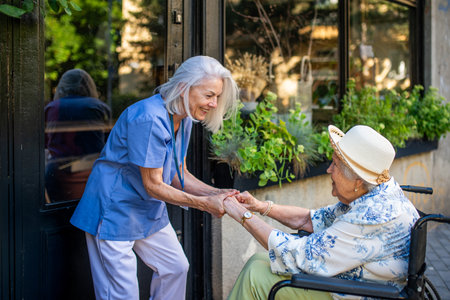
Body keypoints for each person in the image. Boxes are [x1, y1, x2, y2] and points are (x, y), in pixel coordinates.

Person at [70, 56, 239, 300]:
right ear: (184, 88)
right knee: (121, 294)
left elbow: (177, 174)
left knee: (175, 268)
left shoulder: (186, 118)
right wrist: (205, 204)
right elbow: (153, 185)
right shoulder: (149, 118)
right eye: (209, 95)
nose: (214, 104)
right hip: (114, 210)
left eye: (217, 97)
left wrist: (217, 193)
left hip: (146, 208)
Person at [223, 124, 419, 300]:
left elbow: (301, 256)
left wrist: (242, 215)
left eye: (335, 165)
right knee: (258, 260)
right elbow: (311, 220)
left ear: (358, 181)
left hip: (365, 293)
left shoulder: (375, 215)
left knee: (254, 276)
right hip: (361, 284)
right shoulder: (374, 192)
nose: (328, 170)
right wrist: (260, 206)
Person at [45, 69, 111, 202]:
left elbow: (46, 143)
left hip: (56, 173)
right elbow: (107, 144)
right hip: (92, 171)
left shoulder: (51, 107)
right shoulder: (99, 107)